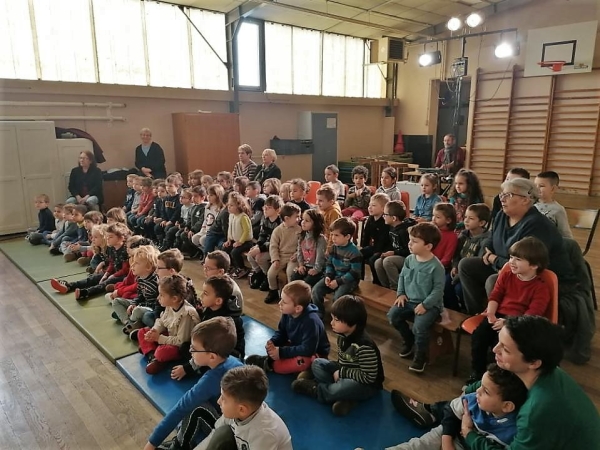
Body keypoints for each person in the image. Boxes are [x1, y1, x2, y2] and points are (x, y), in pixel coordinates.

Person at [390, 316, 600, 449]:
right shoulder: (538, 370)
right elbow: (477, 388)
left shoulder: (538, 409)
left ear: (534, 362)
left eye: (506, 349)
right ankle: (435, 410)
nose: (495, 350)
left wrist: (469, 434)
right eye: (499, 342)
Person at [458, 178, 574, 315]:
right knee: (466, 265)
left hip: (534, 277)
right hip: (505, 267)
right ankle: (478, 315)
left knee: (493, 281)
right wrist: (488, 253)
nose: (502, 198)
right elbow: (491, 238)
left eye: (508, 195)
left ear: (526, 199)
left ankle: (504, 325)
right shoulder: (501, 215)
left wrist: (494, 259)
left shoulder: (537, 225)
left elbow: (524, 263)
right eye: (502, 194)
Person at [143, 317, 243, 450]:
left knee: (197, 409)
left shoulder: (212, 379)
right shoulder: (234, 361)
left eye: (194, 349)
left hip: (231, 436)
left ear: (212, 356)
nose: (190, 351)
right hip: (235, 425)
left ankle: (179, 446)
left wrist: (152, 443)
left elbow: (181, 407)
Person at [468, 237, 551, 384]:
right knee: (478, 337)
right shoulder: (507, 275)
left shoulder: (541, 288)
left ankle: (498, 379)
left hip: (520, 324)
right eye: (511, 257)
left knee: (500, 346)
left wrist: (508, 323)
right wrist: (491, 313)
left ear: (534, 265)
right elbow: (495, 295)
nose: (511, 262)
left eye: (518, 259)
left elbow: (533, 314)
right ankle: (477, 374)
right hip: (498, 316)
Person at [387, 364, 528, 450]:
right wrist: (447, 442)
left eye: (485, 391)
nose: (477, 391)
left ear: (507, 406)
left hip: (469, 442)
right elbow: (451, 412)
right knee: (418, 446)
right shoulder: (475, 400)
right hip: (452, 432)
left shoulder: (514, 431)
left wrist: (468, 433)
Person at [292, 295, 384, 416]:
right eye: (332, 318)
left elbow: (368, 377)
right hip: (345, 372)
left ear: (352, 322)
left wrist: (342, 374)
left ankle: (316, 389)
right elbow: (342, 362)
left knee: (345, 387)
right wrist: (339, 372)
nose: (331, 323)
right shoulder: (342, 334)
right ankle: (343, 397)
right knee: (317, 363)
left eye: (336, 320)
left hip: (366, 385)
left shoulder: (364, 346)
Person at [387, 222, 444, 373]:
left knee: (419, 327)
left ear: (428, 246)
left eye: (414, 241)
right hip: (408, 300)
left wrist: (425, 305)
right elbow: (402, 277)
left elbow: (438, 290)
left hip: (430, 305)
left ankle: (421, 356)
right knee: (393, 316)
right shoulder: (409, 259)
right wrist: (400, 294)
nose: (409, 244)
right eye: (410, 240)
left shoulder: (436, 266)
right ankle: (408, 340)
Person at [195, 366, 293, 450]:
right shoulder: (235, 411)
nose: (219, 401)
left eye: (224, 399)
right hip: (242, 444)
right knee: (222, 433)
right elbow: (214, 435)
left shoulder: (264, 434)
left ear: (242, 409)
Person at [171, 274, 245, 382]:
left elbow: (211, 349)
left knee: (213, 367)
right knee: (185, 347)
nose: (201, 296)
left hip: (227, 354)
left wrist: (187, 368)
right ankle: (202, 367)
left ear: (218, 301)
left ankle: (201, 370)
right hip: (211, 347)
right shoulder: (211, 308)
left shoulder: (223, 323)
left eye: (205, 293)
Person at [245, 280, 330, 374]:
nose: (279, 303)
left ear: (298, 308)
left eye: (284, 302)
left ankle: (270, 364)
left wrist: (281, 352)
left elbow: (308, 349)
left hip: (315, 354)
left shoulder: (311, 321)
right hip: (297, 345)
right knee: (279, 347)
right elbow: (282, 332)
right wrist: (273, 342)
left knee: (302, 362)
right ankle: (273, 360)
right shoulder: (287, 313)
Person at [135, 275, 200, 374]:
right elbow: (162, 321)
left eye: (161, 295)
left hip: (179, 347)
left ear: (174, 298)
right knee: (142, 332)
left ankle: (154, 353)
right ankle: (152, 356)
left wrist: (158, 339)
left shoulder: (186, 314)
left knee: (162, 352)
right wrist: (155, 330)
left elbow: (181, 341)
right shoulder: (170, 306)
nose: (158, 298)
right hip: (169, 337)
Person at [311, 218, 362, 318]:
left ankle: (338, 318)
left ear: (347, 236)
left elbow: (354, 273)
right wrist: (328, 276)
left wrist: (338, 282)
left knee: (337, 298)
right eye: (332, 234)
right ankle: (320, 312)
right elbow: (329, 264)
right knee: (315, 291)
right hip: (335, 276)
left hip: (349, 280)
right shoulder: (334, 247)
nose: (333, 238)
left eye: (336, 235)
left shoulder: (355, 253)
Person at [446, 203, 490, 310]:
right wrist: (455, 266)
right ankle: (454, 311)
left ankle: (468, 312)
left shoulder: (486, 240)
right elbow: (456, 254)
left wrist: (458, 276)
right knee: (445, 283)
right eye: (465, 217)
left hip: (471, 276)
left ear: (482, 222)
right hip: (458, 271)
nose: (466, 220)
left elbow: (478, 263)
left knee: (459, 289)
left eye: (471, 218)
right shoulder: (464, 234)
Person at [113, 244, 160, 331]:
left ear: (148, 267)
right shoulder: (139, 278)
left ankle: (129, 319)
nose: (132, 265)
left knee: (140, 312)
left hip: (150, 308)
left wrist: (138, 306)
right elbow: (140, 295)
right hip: (142, 305)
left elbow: (157, 304)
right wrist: (133, 303)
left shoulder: (155, 282)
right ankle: (128, 322)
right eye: (133, 262)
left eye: (137, 263)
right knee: (116, 301)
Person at [264, 203, 302, 304]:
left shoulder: (300, 230)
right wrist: (275, 259)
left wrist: (297, 253)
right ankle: (273, 291)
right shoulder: (278, 230)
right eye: (296, 217)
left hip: (293, 258)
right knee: (271, 273)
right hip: (281, 256)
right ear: (287, 218)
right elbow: (273, 246)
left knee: (290, 272)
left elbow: (302, 245)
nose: (299, 219)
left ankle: (290, 295)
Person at [374, 200, 415, 291]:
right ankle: (386, 287)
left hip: (407, 258)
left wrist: (393, 252)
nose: (383, 216)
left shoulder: (403, 231)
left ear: (394, 218)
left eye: (385, 214)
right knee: (378, 262)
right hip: (397, 255)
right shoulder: (392, 227)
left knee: (388, 261)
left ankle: (396, 288)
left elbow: (409, 251)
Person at [247, 195, 284, 291]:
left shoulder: (280, 223)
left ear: (277, 210)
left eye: (269, 207)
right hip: (266, 246)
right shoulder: (266, 220)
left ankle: (267, 276)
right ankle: (258, 273)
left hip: (276, 249)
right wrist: (258, 245)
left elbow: (274, 242)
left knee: (260, 258)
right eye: (265, 207)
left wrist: (260, 249)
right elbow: (262, 235)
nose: (265, 209)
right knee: (250, 255)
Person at [289, 210, 326, 287]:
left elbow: (320, 256)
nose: (303, 222)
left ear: (315, 224)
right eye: (303, 219)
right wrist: (301, 265)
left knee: (307, 282)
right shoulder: (302, 236)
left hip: (317, 268)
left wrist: (316, 269)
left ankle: (307, 298)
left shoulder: (320, 239)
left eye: (307, 221)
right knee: (294, 277)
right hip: (306, 266)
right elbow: (299, 252)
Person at [360, 193, 390, 285]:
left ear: (383, 208)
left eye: (373, 205)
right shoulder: (370, 219)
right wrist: (364, 247)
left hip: (384, 248)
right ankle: (360, 278)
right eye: (369, 205)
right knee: (359, 254)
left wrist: (377, 252)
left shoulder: (385, 222)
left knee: (373, 260)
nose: (370, 207)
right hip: (374, 246)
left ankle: (377, 282)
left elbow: (383, 239)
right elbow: (366, 234)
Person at [222, 192, 253, 279]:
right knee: (225, 249)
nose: (229, 207)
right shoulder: (231, 215)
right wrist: (228, 240)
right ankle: (231, 266)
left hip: (245, 242)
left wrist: (240, 242)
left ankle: (242, 268)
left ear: (239, 206)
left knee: (235, 252)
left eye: (231, 205)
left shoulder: (243, 217)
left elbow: (246, 231)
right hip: (234, 240)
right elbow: (230, 228)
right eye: (228, 205)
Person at [534, 171, 572, 238]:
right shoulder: (529, 205)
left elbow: (566, 235)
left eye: (541, 186)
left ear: (553, 189)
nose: (537, 188)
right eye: (535, 185)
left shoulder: (558, 210)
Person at [431, 203, 459, 270]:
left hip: (439, 267)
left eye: (438, 217)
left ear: (448, 220)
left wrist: (434, 267)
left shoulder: (452, 237)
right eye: (433, 215)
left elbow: (447, 258)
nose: (433, 219)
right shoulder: (430, 230)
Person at [315, 185, 342, 252]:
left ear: (331, 202)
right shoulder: (322, 209)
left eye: (321, 201)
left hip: (331, 244)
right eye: (317, 200)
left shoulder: (333, 213)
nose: (317, 203)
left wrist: (329, 248)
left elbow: (333, 232)